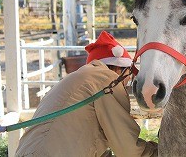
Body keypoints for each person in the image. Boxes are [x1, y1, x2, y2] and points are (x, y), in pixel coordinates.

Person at [15, 31, 158, 157]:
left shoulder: (78, 79)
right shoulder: (107, 79)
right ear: (118, 68)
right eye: (129, 73)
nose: (128, 81)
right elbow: (128, 150)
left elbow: (86, 140)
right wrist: (163, 151)